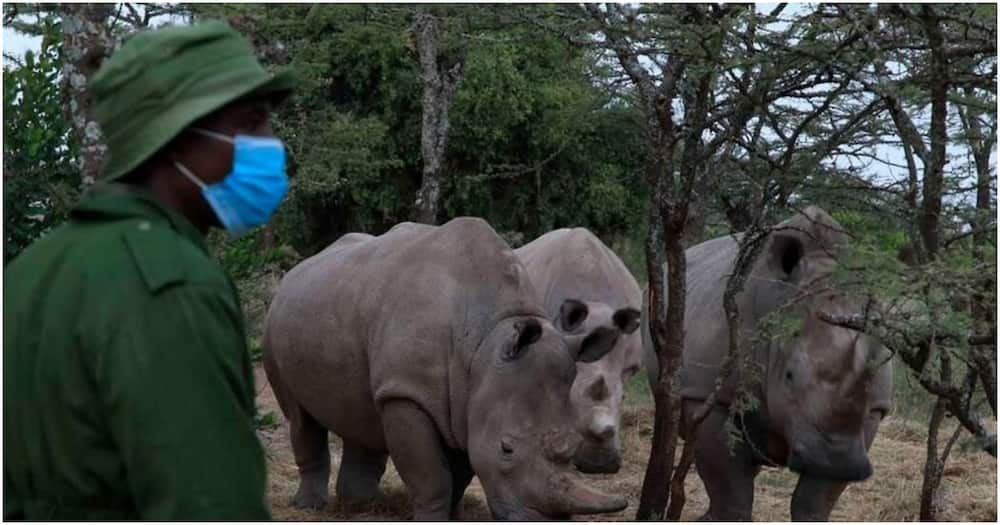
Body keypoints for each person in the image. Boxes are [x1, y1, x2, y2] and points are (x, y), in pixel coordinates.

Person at [4, 21, 294, 520]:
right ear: (176, 139)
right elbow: (209, 506)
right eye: (250, 123)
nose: (271, 144)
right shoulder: (170, 283)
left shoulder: (30, 271)